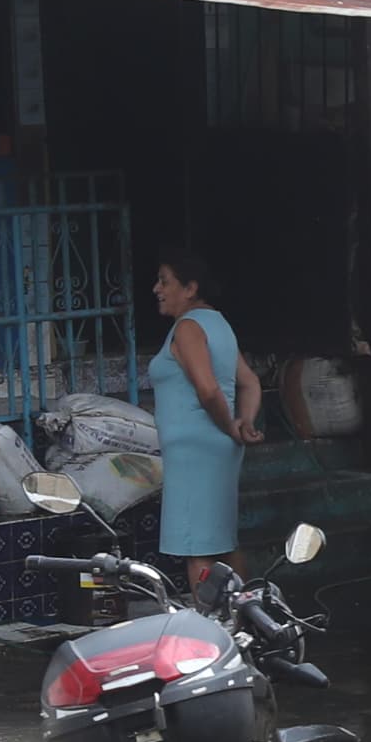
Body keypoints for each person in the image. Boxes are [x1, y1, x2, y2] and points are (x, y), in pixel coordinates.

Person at [145, 244, 260, 597]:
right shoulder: (219, 324)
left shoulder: (189, 327)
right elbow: (250, 382)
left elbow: (207, 390)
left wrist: (231, 424)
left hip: (196, 450)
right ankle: (245, 623)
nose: (157, 289)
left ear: (190, 288)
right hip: (215, 449)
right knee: (222, 540)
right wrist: (244, 422)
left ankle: (213, 632)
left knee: (198, 550)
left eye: (165, 282)